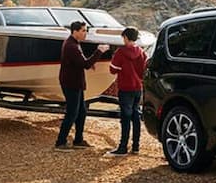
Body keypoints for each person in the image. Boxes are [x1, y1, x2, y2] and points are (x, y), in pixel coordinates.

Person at [55, 21, 109, 150]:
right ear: (75, 31)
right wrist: (99, 51)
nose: (86, 33)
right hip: (71, 83)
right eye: (83, 31)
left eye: (86, 30)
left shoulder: (74, 44)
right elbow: (84, 64)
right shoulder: (71, 46)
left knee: (81, 112)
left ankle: (78, 140)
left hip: (75, 82)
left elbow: (81, 61)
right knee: (72, 113)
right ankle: (60, 142)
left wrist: (90, 62)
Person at [105, 27, 148, 156]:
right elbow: (144, 70)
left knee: (125, 117)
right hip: (137, 88)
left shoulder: (121, 52)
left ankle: (123, 147)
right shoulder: (141, 52)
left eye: (123, 37)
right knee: (135, 116)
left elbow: (113, 69)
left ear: (126, 37)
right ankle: (136, 146)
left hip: (125, 88)